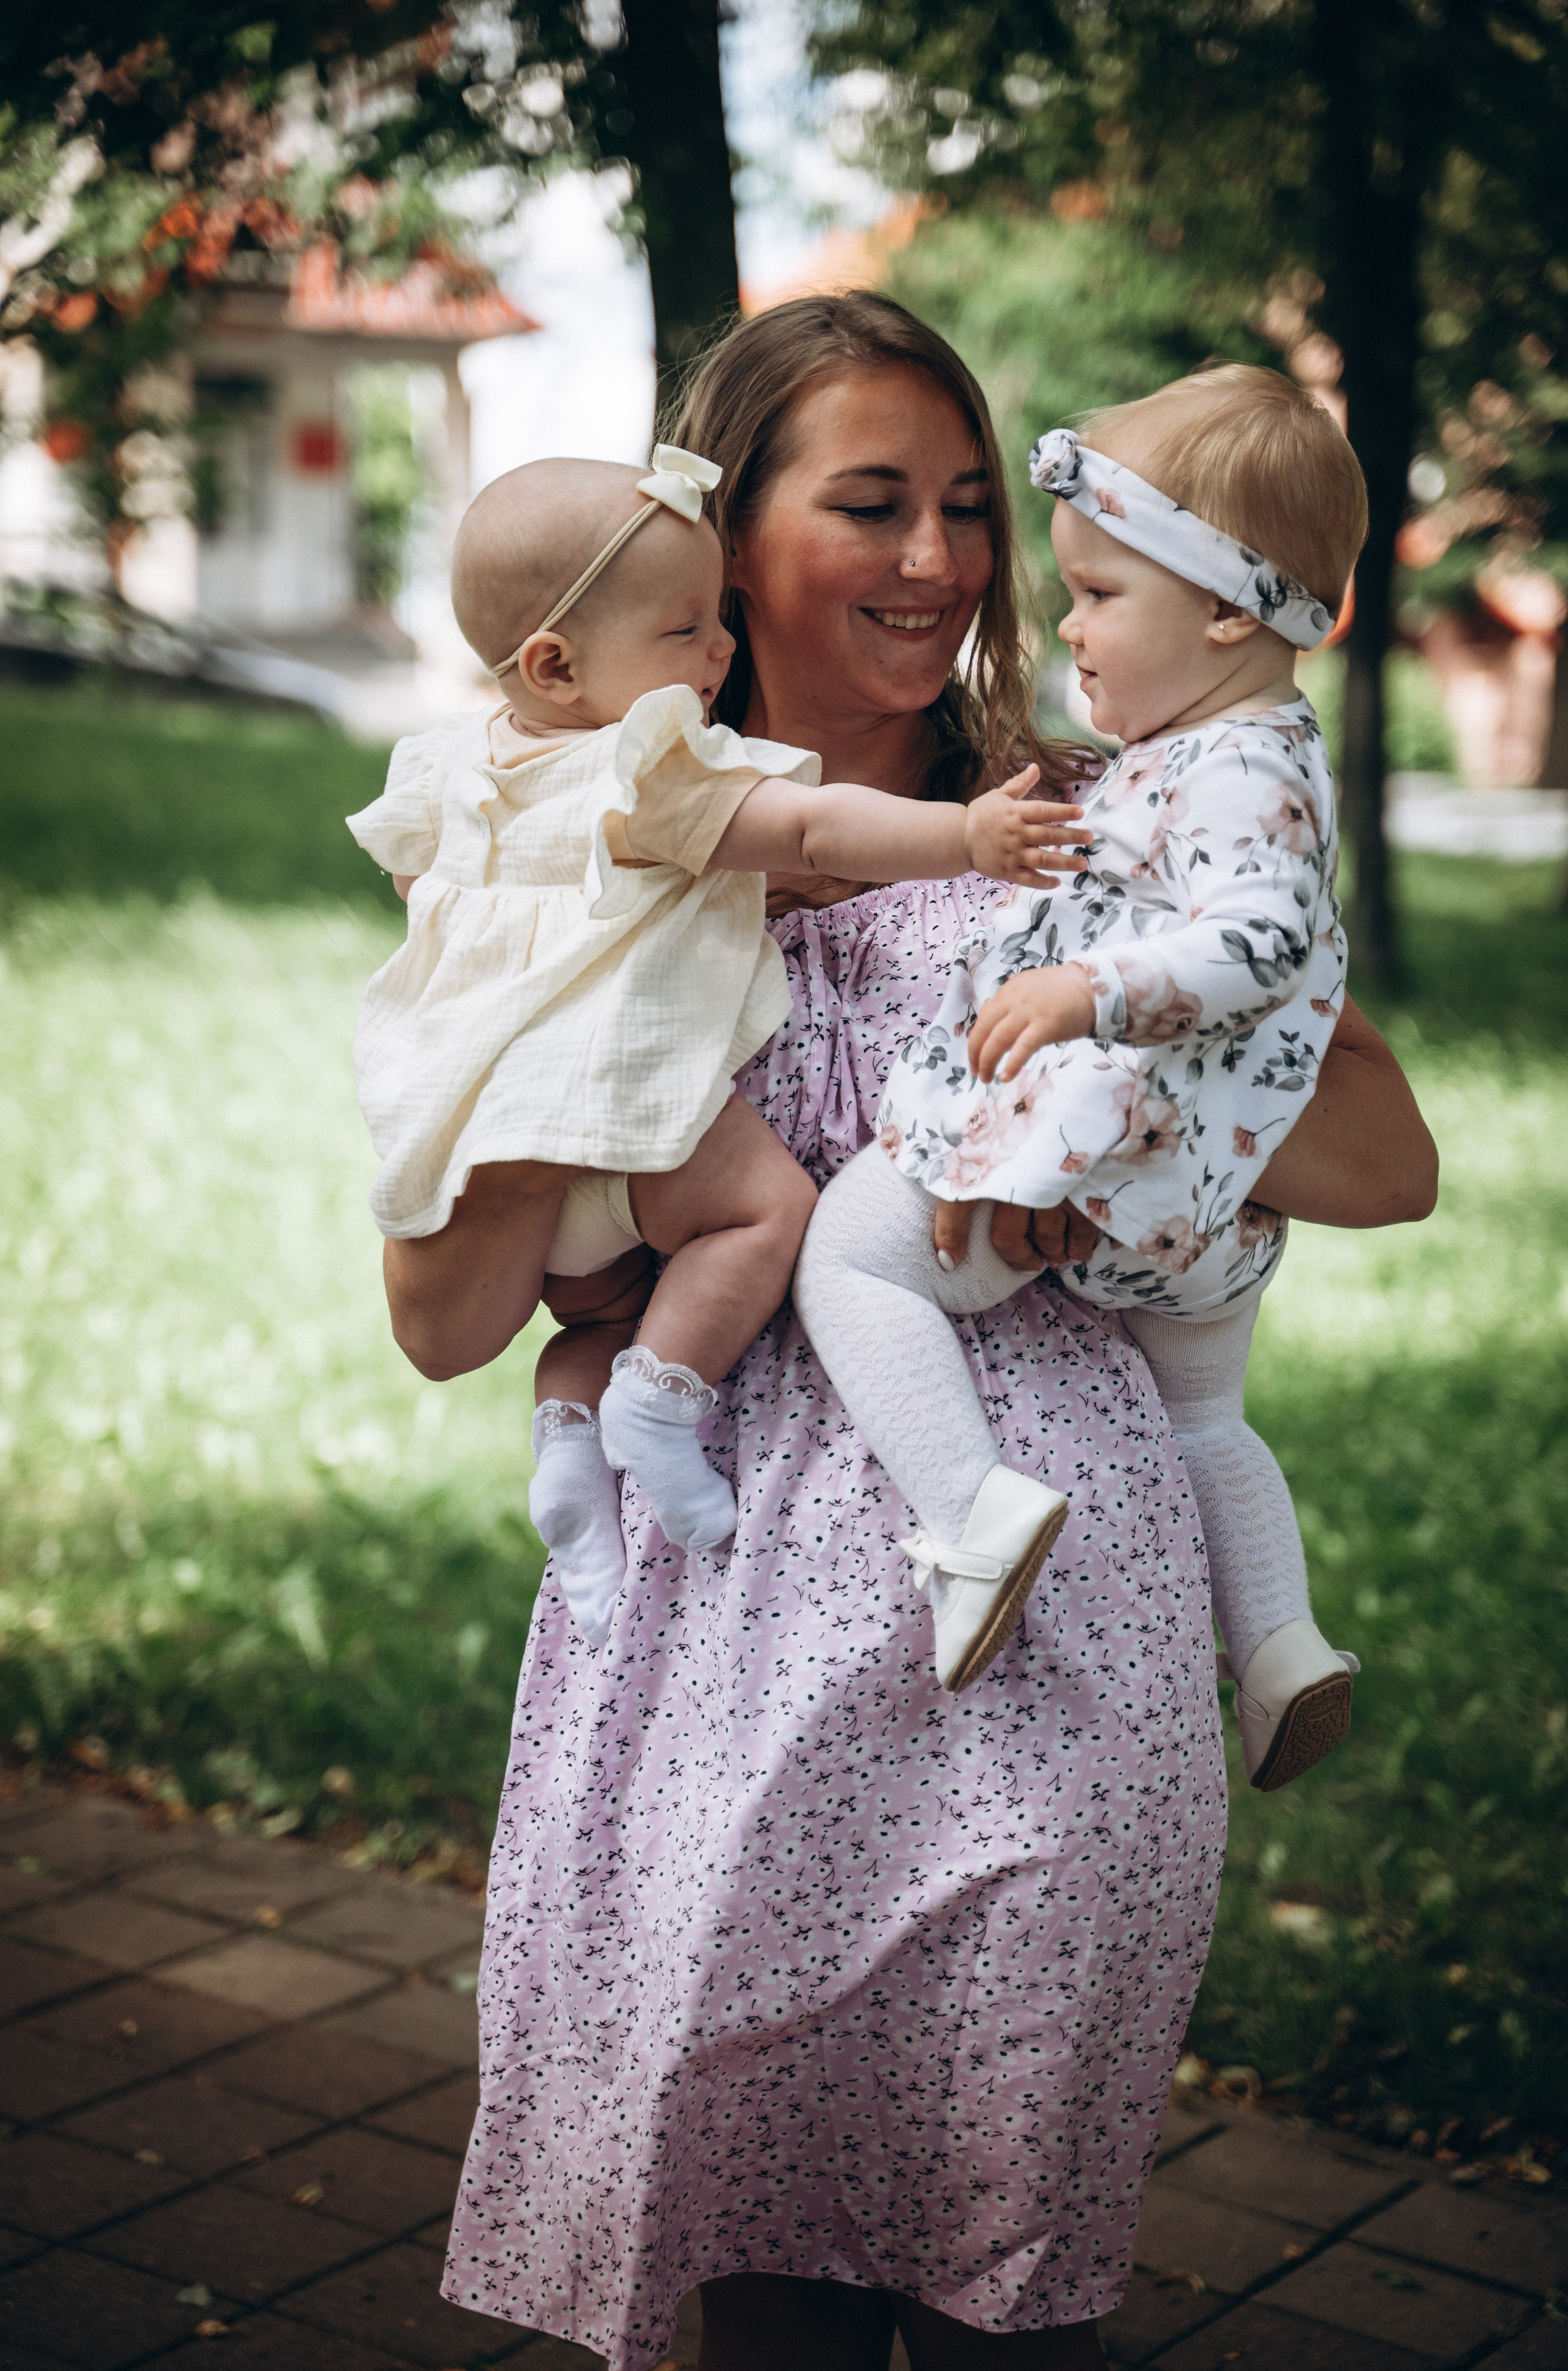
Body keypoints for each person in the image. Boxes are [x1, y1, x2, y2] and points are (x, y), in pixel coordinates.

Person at [394, 292, 1436, 2371]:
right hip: (710, 1664)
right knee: (761, 2286)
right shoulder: (575, 870)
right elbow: (443, 1316)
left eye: (971, 507)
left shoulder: (1081, 822)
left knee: (1004, 2267)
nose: (944, 562)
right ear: (719, 543)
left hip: (1044, 1626)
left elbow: (1386, 1158)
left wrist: (1121, 1115)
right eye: (872, 502)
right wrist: (572, 1090)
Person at [347, 446, 1086, 1635]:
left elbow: (410, 874)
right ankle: (657, 1400)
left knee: (597, 1312)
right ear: (558, 664)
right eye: (688, 630)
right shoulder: (648, 770)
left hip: (479, 1126)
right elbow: (811, 823)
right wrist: (967, 838)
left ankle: (574, 1458)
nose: (718, 650)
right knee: (770, 1214)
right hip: (623, 1100)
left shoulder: (454, 764)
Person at [794, 368, 1365, 1795]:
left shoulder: (1231, 769)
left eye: (1101, 595)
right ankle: (1281, 1644)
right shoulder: (1225, 754)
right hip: (1209, 1222)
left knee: (854, 1265)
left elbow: (1255, 941)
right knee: (1207, 1421)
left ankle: (970, 1510)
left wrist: (1083, 991)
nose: (1068, 627)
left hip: (1096, 1156)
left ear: (1227, 609)